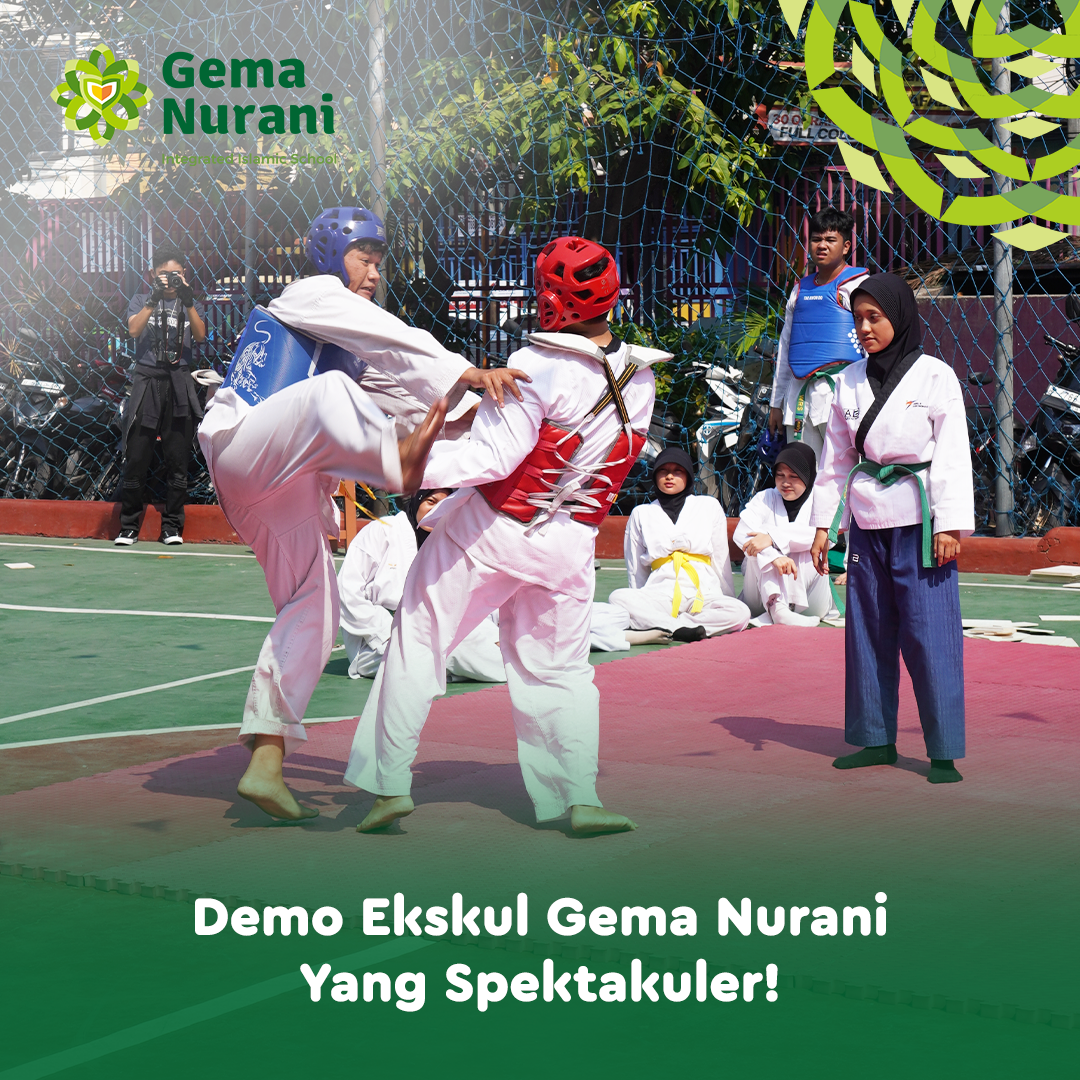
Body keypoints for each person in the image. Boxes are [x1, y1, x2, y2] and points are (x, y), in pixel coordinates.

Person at [198, 206, 526, 821]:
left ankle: (265, 761)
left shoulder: (352, 354)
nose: (374, 273)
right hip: (244, 446)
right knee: (333, 394)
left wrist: (480, 408)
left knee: (313, 610)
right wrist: (462, 370)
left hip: (285, 491)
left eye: (378, 263)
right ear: (331, 257)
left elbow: (412, 395)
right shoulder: (310, 295)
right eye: (363, 259)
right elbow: (386, 336)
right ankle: (394, 469)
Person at [345, 236, 671, 835]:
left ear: (551, 298)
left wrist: (399, 465)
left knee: (418, 641)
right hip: (570, 544)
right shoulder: (641, 377)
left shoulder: (538, 364)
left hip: (493, 531)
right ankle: (580, 798)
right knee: (561, 670)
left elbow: (492, 458)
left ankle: (388, 785)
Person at [809, 274, 974, 784]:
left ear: (899, 317)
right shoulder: (847, 380)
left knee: (930, 634)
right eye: (858, 318)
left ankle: (943, 751)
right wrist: (825, 525)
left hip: (921, 520)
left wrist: (949, 524)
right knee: (868, 630)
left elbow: (952, 455)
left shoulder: (936, 376)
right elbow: (836, 459)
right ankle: (876, 739)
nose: (864, 328)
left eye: (874, 317)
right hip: (866, 517)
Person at [338, 488, 505, 682]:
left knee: (501, 647)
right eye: (431, 502)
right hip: (379, 642)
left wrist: (493, 631)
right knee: (462, 652)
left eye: (446, 506)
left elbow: (472, 595)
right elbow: (347, 591)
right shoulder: (383, 530)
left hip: (436, 630)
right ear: (417, 500)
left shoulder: (451, 543)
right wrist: (384, 633)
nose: (437, 511)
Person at [607, 447, 750, 642]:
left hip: (704, 591)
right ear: (655, 476)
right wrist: (641, 600)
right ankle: (681, 629)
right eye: (663, 471)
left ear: (688, 476)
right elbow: (635, 568)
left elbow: (720, 558)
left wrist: (726, 597)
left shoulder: (708, 506)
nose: (669, 476)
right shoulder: (641, 513)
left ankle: (671, 626)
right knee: (618, 598)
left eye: (677, 471)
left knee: (740, 612)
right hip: (661, 593)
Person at [115, 247, 207, 545]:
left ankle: (172, 527)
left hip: (178, 382)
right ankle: (129, 526)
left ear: (184, 275)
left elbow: (201, 335)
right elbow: (133, 330)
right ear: (152, 274)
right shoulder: (141, 299)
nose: (169, 279)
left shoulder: (191, 303)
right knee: (137, 454)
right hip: (147, 381)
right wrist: (153, 299)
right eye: (163, 274)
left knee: (177, 459)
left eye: (175, 274)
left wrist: (188, 301)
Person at [768, 207, 868, 458]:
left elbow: (871, 344)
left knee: (845, 472)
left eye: (830, 239)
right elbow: (785, 348)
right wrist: (776, 404)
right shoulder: (799, 290)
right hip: (799, 399)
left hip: (844, 395)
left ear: (846, 246)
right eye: (816, 239)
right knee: (802, 472)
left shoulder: (857, 286)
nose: (822, 245)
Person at [734, 441, 831, 627]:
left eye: (794, 476)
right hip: (760, 599)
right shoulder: (765, 497)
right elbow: (741, 533)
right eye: (780, 475)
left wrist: (771, 538)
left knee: (810, 547)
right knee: (755, 548)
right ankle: (778, 607)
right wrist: (773, 556)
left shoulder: (821, 500)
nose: (785, 483)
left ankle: (781, 610)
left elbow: (825, 536)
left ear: (808, 476)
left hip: (810, 600)